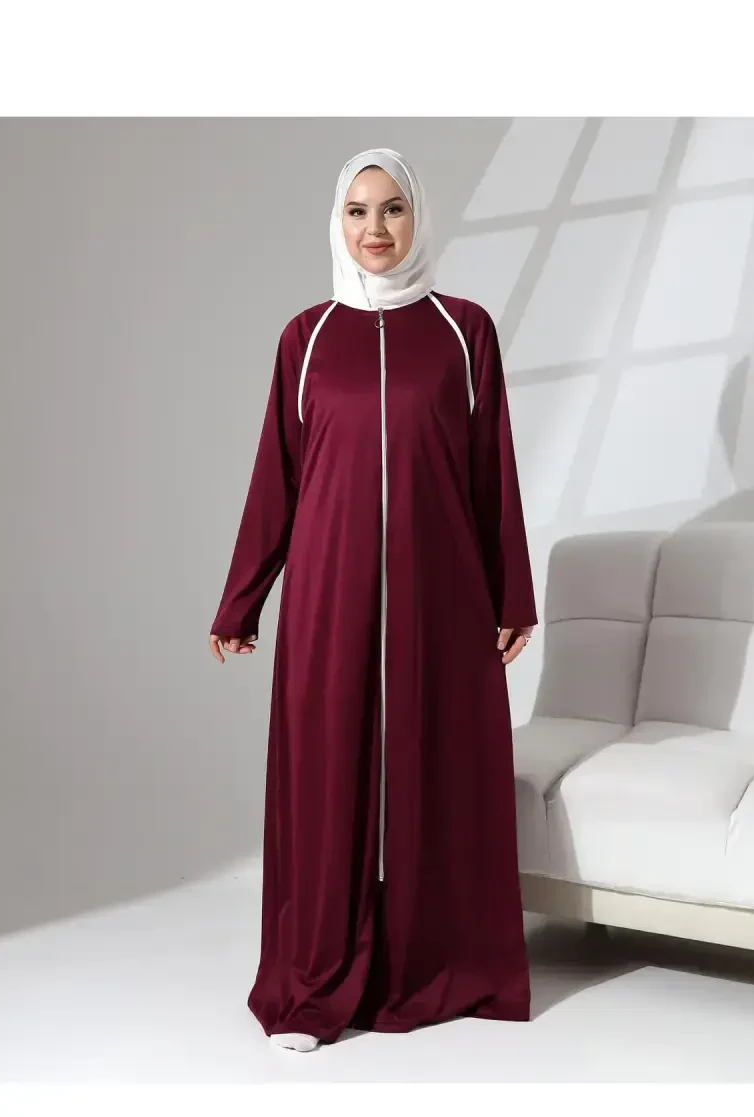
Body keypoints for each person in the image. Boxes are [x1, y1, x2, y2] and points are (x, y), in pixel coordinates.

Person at [208, 147, 537, 1053]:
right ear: (338, 222)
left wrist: (511, 592)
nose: (376, 229)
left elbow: (492, 470)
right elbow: (276, 478)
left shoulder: (464, 331)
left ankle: (436, 965)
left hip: (442, 594)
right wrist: (242, 600)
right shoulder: (306, 338)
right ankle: (318, 980)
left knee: (441, 771)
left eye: (392, 209)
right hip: (329, 593)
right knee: (327, 775)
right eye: (358, 211)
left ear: (417, 216)